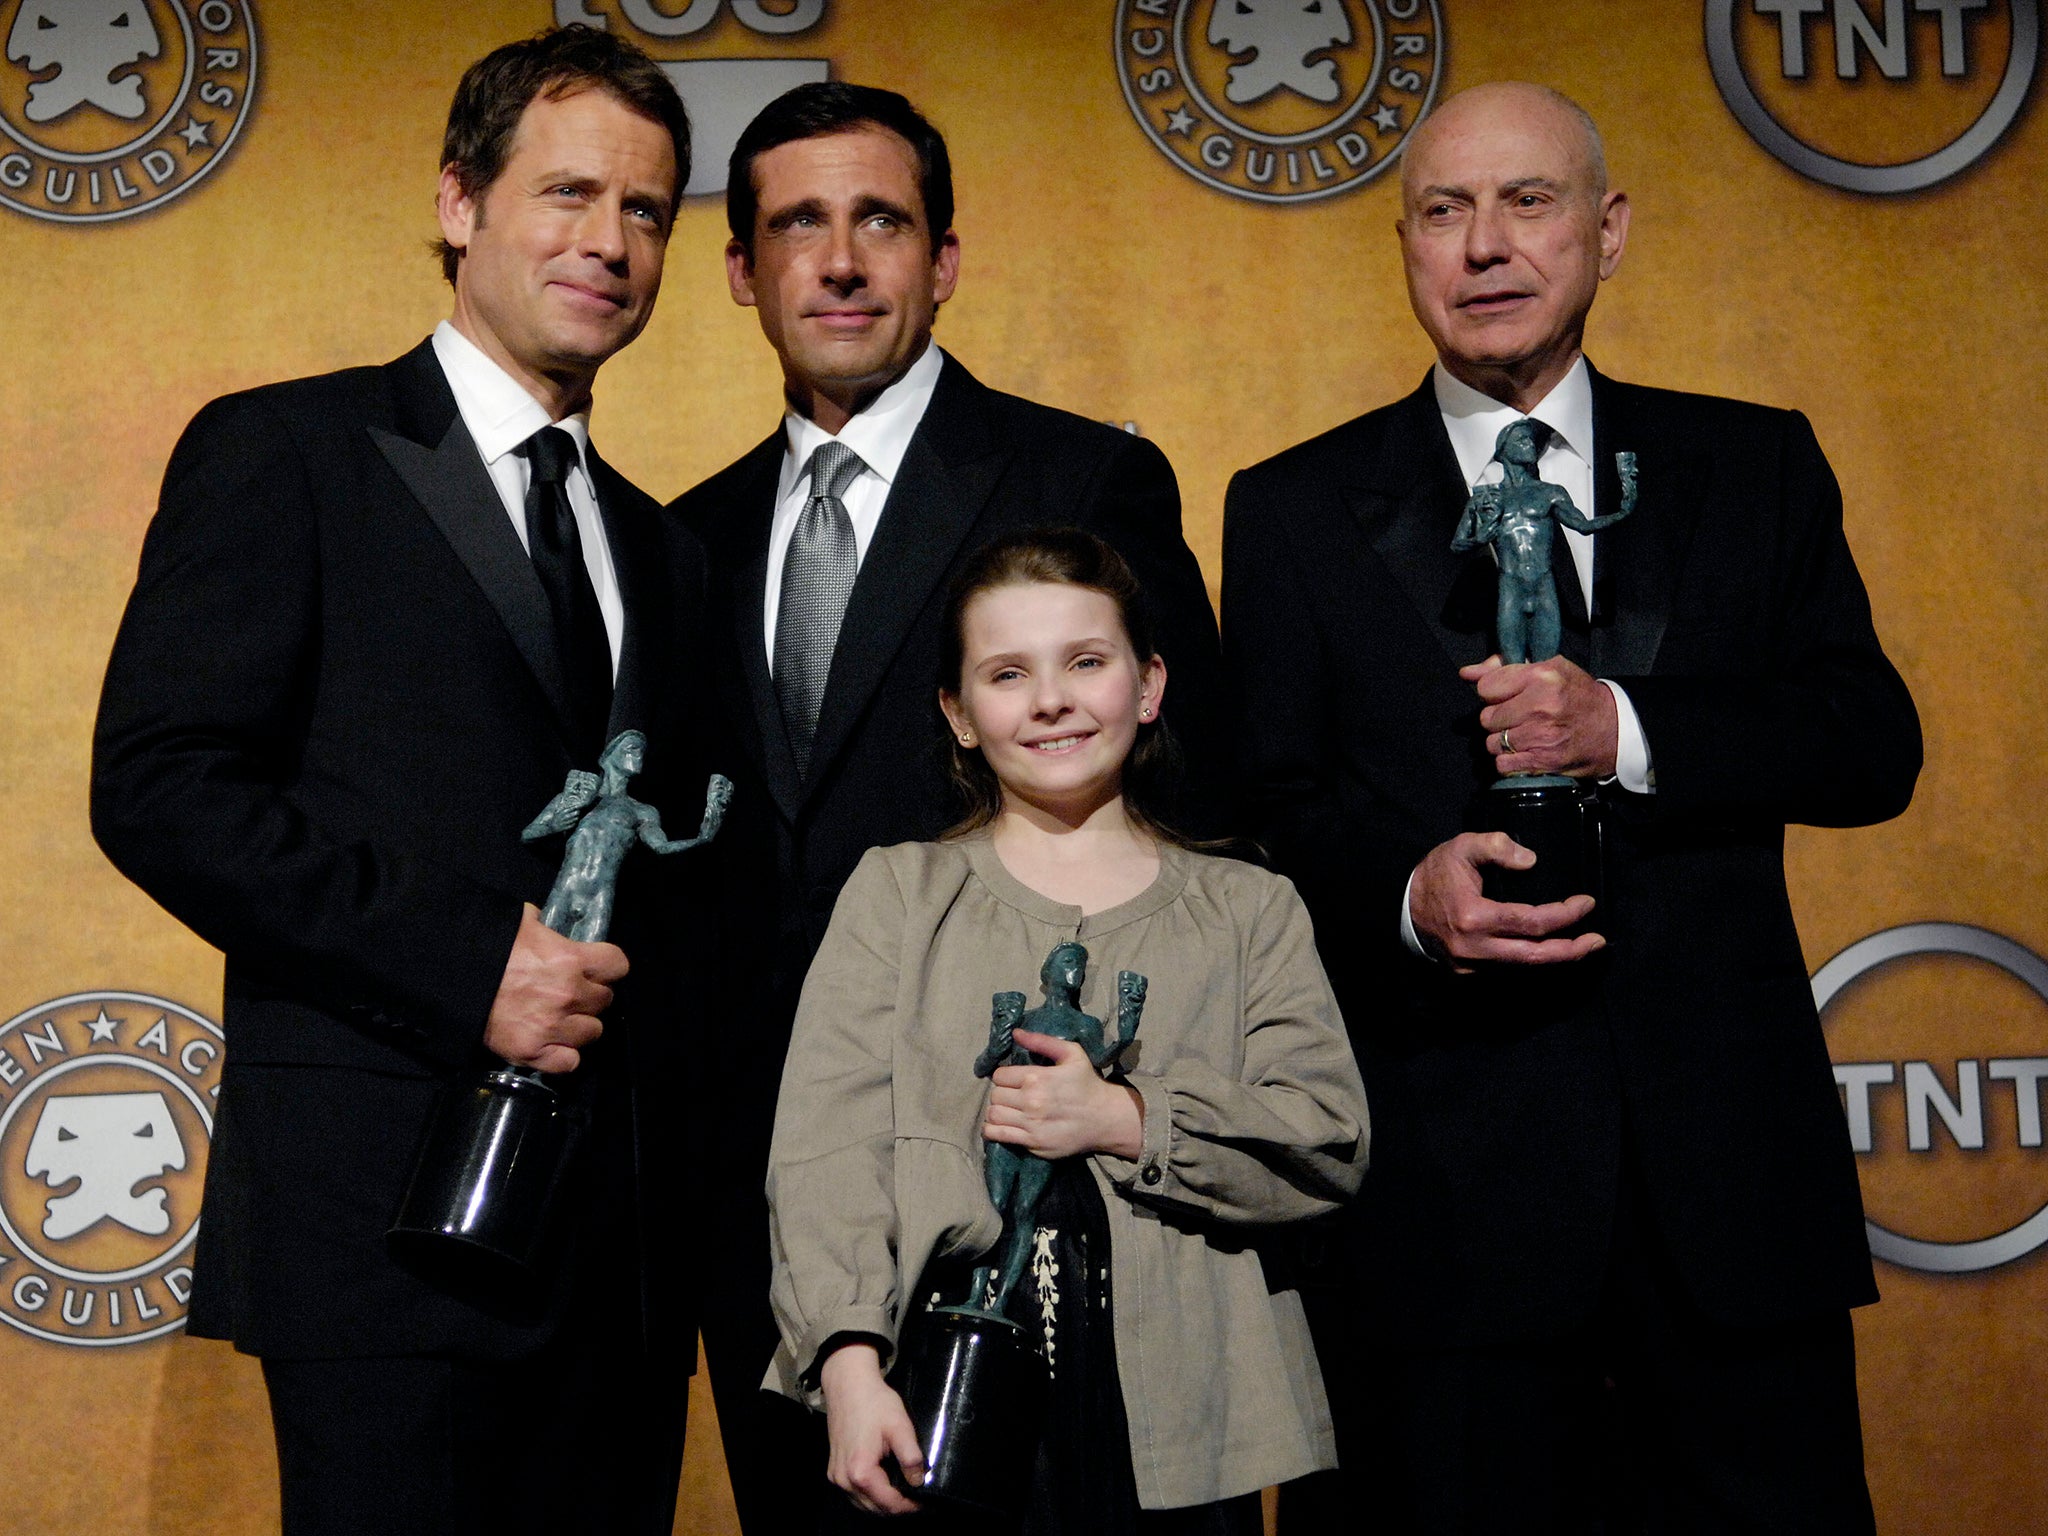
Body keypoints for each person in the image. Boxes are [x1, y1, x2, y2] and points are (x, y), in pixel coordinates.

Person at [1222, 81, 1920, 1532]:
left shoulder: (1755, 465)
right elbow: (1258, 812)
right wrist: (1408, 897)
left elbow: (1868, 743)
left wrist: (1628, 727)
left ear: (1607, 233)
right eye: (1443, 210)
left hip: (1728, 1214)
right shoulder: (1289, 506)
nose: (1484, 246)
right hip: (1439, 1218)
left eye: (1527, 203)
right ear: (1406, 245)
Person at [90, 27, 707, 1536]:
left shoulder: (668, 545)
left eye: (646, 211)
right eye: (568, 193)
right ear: (457, 204)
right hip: (380, 1223)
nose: (609, 243)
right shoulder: (287, 450)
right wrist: (464, 959)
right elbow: (161, 783)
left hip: (614, 1262)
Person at [668, 81, 1228, 1529]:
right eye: (798, 224)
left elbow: (1204, 809)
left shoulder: (1082, 474)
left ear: (945, 258)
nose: (840, 260)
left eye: (879, 220)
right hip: (777, 1208)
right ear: (741, 271)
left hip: (1034, 1189)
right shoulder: (684, 536)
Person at [766, 528, 1368, 1533]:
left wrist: (1125, 1119)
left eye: (1085, 662)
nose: (1050, 700)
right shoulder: (898, 894)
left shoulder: (1246, 907)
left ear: (1149, 684)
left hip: (1182, 1407)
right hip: (941, 1389)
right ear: (958, 715)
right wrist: (850, 1366)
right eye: (1007, 674)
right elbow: (826, 1151)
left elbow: (1324, 1137)